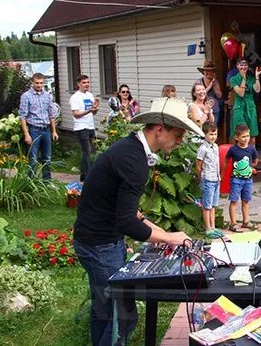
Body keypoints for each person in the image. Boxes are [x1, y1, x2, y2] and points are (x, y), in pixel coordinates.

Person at [73, 97, 200, 346]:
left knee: (104, 310)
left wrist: (161, 231)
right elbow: (126, 223)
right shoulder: (134, 161)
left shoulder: (130, 150)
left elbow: (129, 212)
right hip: (100, 244)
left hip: (96, 240)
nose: (180, 140)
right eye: (178, 134)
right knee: (122, 315)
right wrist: (170, 237)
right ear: (160, 130)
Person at [19, 73, 58, 179]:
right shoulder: (26, 96)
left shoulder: (48, 96)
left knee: (47, 157)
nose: (39, 85)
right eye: (37, 83)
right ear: (32, 82)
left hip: (46, 129)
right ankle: (31, 181)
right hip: (33, 130)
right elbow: (22, 116)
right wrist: (26, 134)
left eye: (41, 83)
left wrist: (54, 131)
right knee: (33, 158)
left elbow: (51, 114)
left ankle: (47, 181)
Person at [226, 124, 259, 232]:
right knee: (234, 200)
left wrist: (251, 168)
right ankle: (233, 223)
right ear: (236, 138)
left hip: (248, 180)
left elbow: (255, 161)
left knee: (246, 201)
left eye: (248, 136)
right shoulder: (233, 150)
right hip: (236, 179)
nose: (246, 139)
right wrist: (222, 174)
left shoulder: (251, 149)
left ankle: (246, 221)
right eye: (243, 136)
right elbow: (225, 161)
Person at [195, 122, 224, 239]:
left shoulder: (216, 146)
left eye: (215, 134)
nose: (213, 137)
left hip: (216, 179)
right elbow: (198, 165)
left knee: (213, 205)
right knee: (206, 205)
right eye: (211, 134)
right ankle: (207, 228)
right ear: (205, 134)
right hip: (207, 179)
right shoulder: (202, 148)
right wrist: (200, 177)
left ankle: (213, 226)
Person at [70, 75, 99, 182]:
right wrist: (90, 110)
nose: (86, 84)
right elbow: (76, 114)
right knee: (87, 150)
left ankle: (87, 174)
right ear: (79, 84)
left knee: (92, 151)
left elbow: (93, 112)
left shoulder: (90, 95)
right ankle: (86, 176)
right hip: (81, 127)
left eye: (87, 82)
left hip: (90, 126)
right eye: (84, 82)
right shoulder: (75, 97)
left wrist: (95, 108)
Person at [229, 58, 261, 142]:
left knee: (252, 136)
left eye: (245, 65)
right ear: (237, 66)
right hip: (239, 108)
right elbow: (241, 93)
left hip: (250, 107)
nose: (243, 67)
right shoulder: (233, 79)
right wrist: (243, 79)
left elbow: (257, 90)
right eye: (241, 65)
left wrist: (257, 76)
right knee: (240, 135)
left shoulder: (251, 78)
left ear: (248, 66)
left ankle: (252, 154)